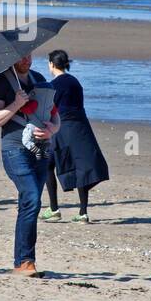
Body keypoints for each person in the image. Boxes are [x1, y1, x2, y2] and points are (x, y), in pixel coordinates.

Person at [0, 54, 60, 276]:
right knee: (32, 199)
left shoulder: (38, 79)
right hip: (14, 149)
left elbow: (56, 116)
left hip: (41, 150)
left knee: (28, 204)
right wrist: (16, 104)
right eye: (21, 56)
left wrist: (51, 130)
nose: (26, 59)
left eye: (29, 55)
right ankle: (27, 262)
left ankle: (22, 262)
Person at [41, 50, 109, 224]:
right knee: (82, 166)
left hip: (62, 128)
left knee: (48, 164)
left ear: (51, 64)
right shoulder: (75, 82)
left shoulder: (53, 85)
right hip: (81, 126)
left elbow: (48, 109)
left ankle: (54, 209)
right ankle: (83, 212)